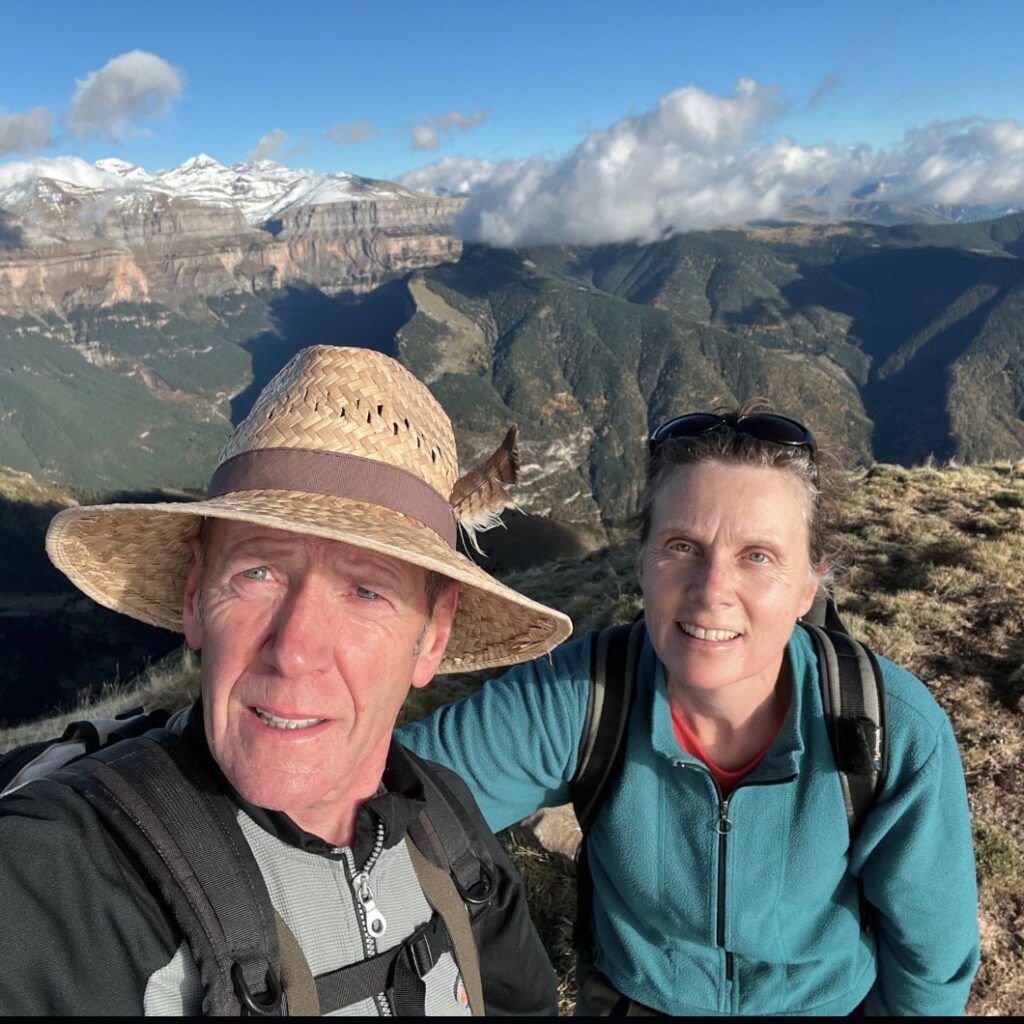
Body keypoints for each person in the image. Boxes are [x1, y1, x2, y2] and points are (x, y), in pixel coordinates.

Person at [0, 344, 571, 1016]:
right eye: (258, 573)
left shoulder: (449, 832)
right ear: (195, 597)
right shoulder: (58, 872)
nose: (295, 650)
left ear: (432, 636)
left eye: (364, 591)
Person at [400, 404, 981, 1016]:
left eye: (758, 556)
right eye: (682, 546)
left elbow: (931, 961)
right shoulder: (587, 696)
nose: (711, 592)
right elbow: (389, 796)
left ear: (810, 585)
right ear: (643, 559)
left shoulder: (888, 729)